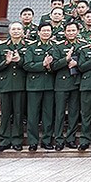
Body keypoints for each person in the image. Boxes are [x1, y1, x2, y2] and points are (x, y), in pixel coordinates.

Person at [23, 23, 56, 151]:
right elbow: (27, 65)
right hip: (34, 85)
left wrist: (50, 67)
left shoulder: (55, 47)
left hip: (50, 85)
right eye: (44, 30)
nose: (46, 33)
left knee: (48, 115)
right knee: (33, 115)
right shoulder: (31, 47)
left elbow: (58, 65)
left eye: (48, 31)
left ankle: (47, 140)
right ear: (38, 32)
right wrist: (42, 65)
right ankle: (33, 141)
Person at [51, 21, 82, 150]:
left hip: (76, 82)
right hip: (62, 84)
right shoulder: (58, 47)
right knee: (59, 113)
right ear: (64, 32)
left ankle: (70, 138)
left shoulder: (82, 46)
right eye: (68, 31)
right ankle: (58, 139)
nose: (71, 33)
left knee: (74, 113)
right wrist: (66, 60)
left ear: (78, 32)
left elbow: (86, 63)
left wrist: (77, 63)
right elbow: (53, 65)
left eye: (73, 30)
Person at [0, 22, 27, 152]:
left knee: (19, 114)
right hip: (5, 83)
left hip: (20, 83)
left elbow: (29, 64)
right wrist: (6, 62)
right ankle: (4, 140)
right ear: (9, 31)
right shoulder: (1, 46)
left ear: (23, 31)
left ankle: (17, 140)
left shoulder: (28, 46)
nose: (16, 31)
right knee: (5, 114)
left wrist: (19, 60)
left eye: (18, 29)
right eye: (13, 29)